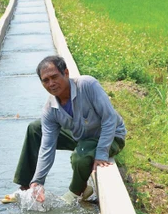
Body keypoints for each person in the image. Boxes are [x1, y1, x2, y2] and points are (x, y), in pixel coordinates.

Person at [12, 55, 126, 204]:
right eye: (45, 80)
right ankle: (27, 187)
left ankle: (77, 191)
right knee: (35, 129)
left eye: (54, 77)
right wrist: (38, 180)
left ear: (66, 73)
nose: (51, 83)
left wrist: (101, 154)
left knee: (81, 157)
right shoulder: (50, 109)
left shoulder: (87, 85)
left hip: (109, 135)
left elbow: (109, 118)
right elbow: (47, 146)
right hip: (80, 136)